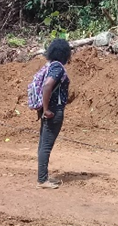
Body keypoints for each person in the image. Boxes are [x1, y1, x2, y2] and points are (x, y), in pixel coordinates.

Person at [37, 38, 72, 189]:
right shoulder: (58, 68)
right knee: (46, 145)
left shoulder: (51, 66)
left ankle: (43, 176)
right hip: (53, 110)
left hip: (49, 109)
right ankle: (43, 180)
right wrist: (46, 110)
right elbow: (47, 86)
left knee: (43, 144)